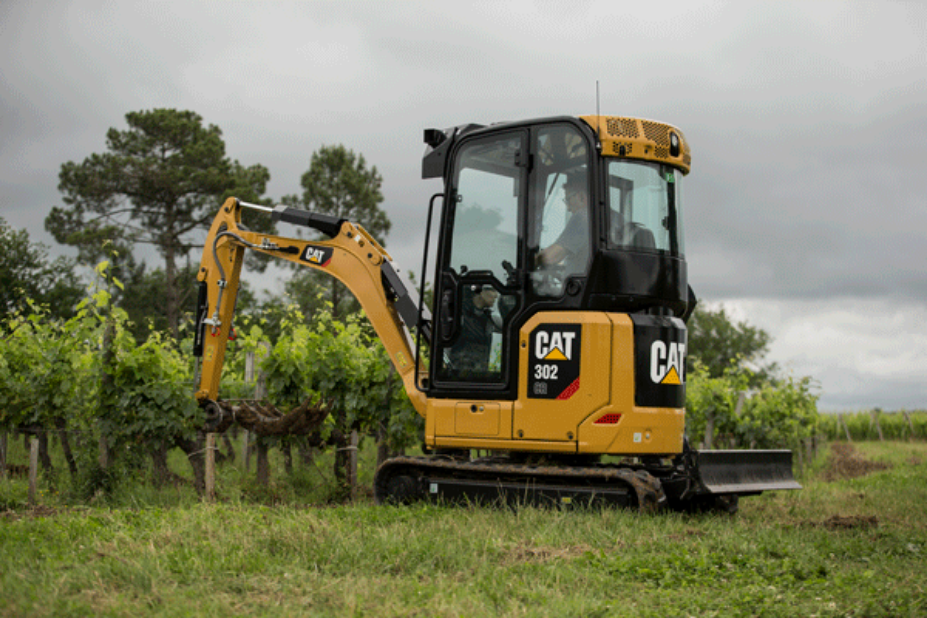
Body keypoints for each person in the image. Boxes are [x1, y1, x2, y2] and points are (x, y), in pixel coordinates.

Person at [536, 173, 590, 280]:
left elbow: (554, 255)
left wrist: (528, 262)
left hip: (580, 292)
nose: (569, 209)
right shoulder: (617, 218)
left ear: (581, 197)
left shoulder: (584, 216)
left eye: (568, 200)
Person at [446, 284, 500, 376]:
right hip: (460, 376)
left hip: (479, 374)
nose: (496, 295)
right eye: (492, 290)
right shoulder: (459, 317)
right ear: (480, 292)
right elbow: (446, 348)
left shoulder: (489, 318)